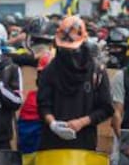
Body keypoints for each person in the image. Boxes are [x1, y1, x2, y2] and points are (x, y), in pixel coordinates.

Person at [37, 15, 113, 152]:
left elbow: (106, 108)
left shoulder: (96, 71)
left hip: (84, 144)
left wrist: (82, 122)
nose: (68, 53)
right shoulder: (50, 71)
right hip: (52, 144)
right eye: (64, 48)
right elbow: (43, 104)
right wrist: (53, 123)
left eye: (72, 49)